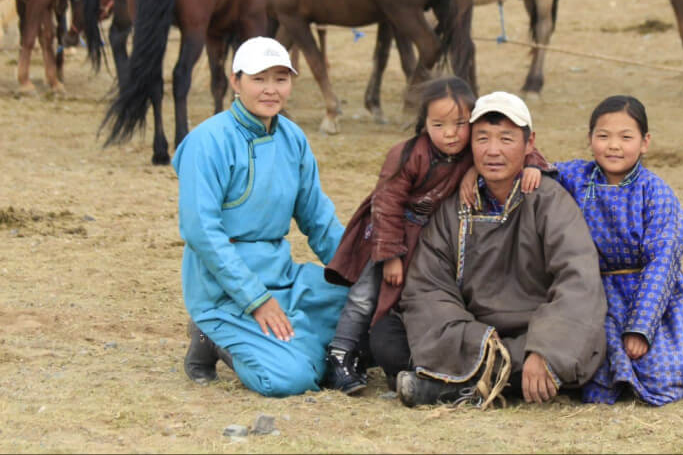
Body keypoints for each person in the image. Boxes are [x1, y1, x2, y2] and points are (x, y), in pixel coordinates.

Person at [322, 78, 553, 394]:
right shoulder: (407, 154)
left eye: (460, 124)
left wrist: (534, 166)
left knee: (410, 297)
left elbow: (514, 147)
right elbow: (386, 204)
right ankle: (341, 353)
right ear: (424, 124)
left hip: (432, 238)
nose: (450, 133)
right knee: (367, 294)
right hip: (393, 233)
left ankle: (384, 350)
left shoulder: (473, 152)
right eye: (439, 124)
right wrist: (390, 256)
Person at [390, 91, 608, 407]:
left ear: (529, 143)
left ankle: (451, 387)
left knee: (579, 348)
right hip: (469, 333)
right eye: (482, 139)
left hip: (532, 333)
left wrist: (544, 349)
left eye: (506, 139)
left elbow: (578, 281)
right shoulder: (455, 206)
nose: (493, 151)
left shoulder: (550, 201)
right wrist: (473, 337)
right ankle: (491, 376)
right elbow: (429, 284)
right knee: (389, 346)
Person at [173, 36, 350, 397]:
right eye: (259, 78)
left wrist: (358, 274)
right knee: (291, 379)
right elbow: (201, 231)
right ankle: (211, 336)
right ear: (236, 81)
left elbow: (319, 219)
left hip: (282, 276)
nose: (271, 90)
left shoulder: (293, 138)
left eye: (280, 79)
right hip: (224, 288)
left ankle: (295, 344)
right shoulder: (208, 141)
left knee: (366, 309)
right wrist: (256, 299)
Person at [539, 95, 683, 405]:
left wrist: (641, 327)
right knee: (594, 381)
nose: (614, 146)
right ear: (589, 139)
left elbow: (662, 263)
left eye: (626, 137)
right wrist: (534, 170)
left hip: (650, 299)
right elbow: (540, 171)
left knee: (665, 376)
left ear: (644, 142)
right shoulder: (576, 177)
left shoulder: (656, 192)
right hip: (597, 296)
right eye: (603, 136)